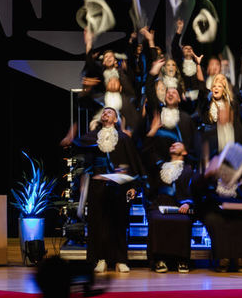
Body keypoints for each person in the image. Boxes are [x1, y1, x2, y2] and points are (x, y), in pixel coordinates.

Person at [65, 106, 145, 274]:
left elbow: (134, 163)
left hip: (119, 186)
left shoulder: (124, 138)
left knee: (119, 223)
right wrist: (70, 138)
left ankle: (121, 260)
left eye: (109, 112)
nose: (105, 114)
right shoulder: (93, 137)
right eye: (103, 112)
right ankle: (100, 259)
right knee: (98, 225)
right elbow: (77, 146)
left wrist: (133, 187)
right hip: (98, 186)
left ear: (115, 120)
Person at [145, 140, 196, 273]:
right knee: (156, 219)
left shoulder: (189, 169)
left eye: (178, 144)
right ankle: (159, 259)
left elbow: (194, 190)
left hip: (180, 205)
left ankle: (182, 259)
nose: (173, 145)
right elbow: (147, 151)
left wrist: (188, 202)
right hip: (159, 203)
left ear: (184, 152)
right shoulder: (160, 166)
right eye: (172, 144)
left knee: (183, 221)